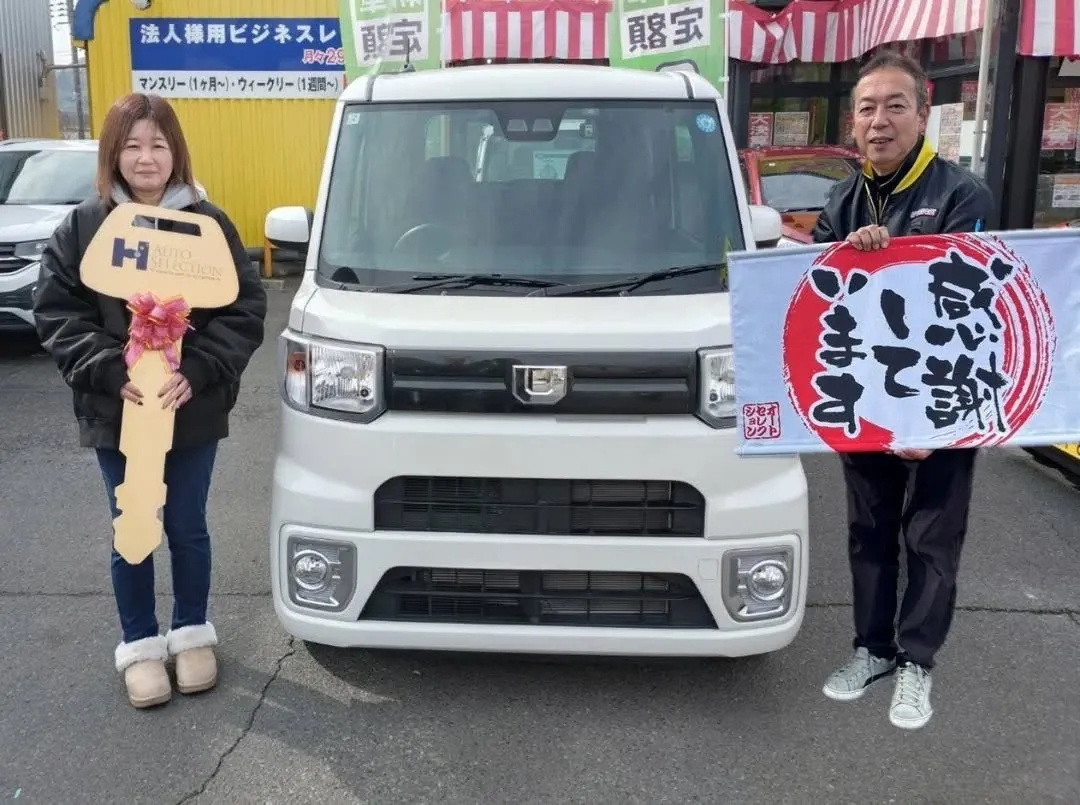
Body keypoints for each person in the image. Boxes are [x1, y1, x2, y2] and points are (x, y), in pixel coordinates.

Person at [32, 93, 267, 709]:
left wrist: (203, 366)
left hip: (191, 407)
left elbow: (244, 308)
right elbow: (58, 314)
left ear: (176, 152)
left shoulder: (209, 225)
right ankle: (139, 645)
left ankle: (191, 634)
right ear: (114, 152)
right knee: (132, 524)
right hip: (118, 411)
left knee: (187, 525)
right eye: (132, 145)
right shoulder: (85, 226)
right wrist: (110, 370)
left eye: (158, 144)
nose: (146, 157)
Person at [811, 51, 993, 730]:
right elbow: (821, 296)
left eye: (894, 106)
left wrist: (897, 252)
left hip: (943, 399)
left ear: (922, 115)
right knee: (869, 530)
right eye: (866, 108)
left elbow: (970, 302)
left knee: (932, 536)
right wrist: (850, 252)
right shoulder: (842, 199)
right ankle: (873, 648)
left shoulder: (961, 195)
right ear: (853, 124)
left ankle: (918, 660)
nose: (878, 121)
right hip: (866, 398)